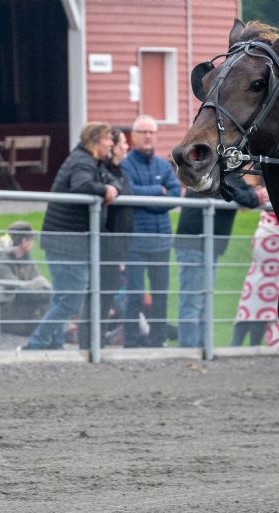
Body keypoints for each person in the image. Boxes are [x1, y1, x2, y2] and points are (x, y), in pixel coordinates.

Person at [23, 122, 119, 350]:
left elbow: (114, 180)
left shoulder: (91, 161)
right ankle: (35, 344)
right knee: (70, 300)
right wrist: (105, 190)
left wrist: (112, 187)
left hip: (68, 242)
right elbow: (81, 185)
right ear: (95, 141)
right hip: (66, 242)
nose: (112, 143)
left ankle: (52, 345)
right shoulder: (82, 161)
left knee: (63, 298)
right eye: (108, 139)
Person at [175, 174, 259, 348]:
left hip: (209, 245)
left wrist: (248, 195)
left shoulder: (230, 174)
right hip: (194, 244)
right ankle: (188, 351)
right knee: (193, 303)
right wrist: (247, 196)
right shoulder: (209, 170)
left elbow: (244, 192)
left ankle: (203, 349)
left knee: (205, 301)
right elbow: (227, 192)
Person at [120, 114, 182, 347]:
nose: (148, 136)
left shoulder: (162, 164)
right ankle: (131, 342)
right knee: (134, 295)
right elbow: (129, 192)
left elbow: (176, 194)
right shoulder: (125, 164)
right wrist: (159, 191)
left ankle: (158, 340)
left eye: (151, 132)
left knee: (160, 295)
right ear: (133, 136)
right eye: (143, 132)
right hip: (135, 241)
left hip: (161, 241)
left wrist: (150, 198)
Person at [231, 180, 279, 348]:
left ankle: (246, 345)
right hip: (270, 244)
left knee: (262, 298)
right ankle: (243, 345)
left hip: (271, 249)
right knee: (260, 297)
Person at [0, 222, 51, 335]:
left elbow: (37, 280)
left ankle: (56, 328)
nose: (33, 242)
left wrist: (46, 291)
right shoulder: (1, 259)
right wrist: (48, 294)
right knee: (42, 324)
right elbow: (17, 289)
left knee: (47, 300)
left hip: (17, 306)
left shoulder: (25, 257)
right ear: (24, 241)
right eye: (31, 239)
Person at [98, 127, 133, 342]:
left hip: (118, 247)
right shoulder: (105, 172)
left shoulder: (120, 171)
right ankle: (93, 341)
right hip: (106, 247)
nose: (126, 147)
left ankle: (98, 340)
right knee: (100, 295)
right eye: (122, 143)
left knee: (108, 294)